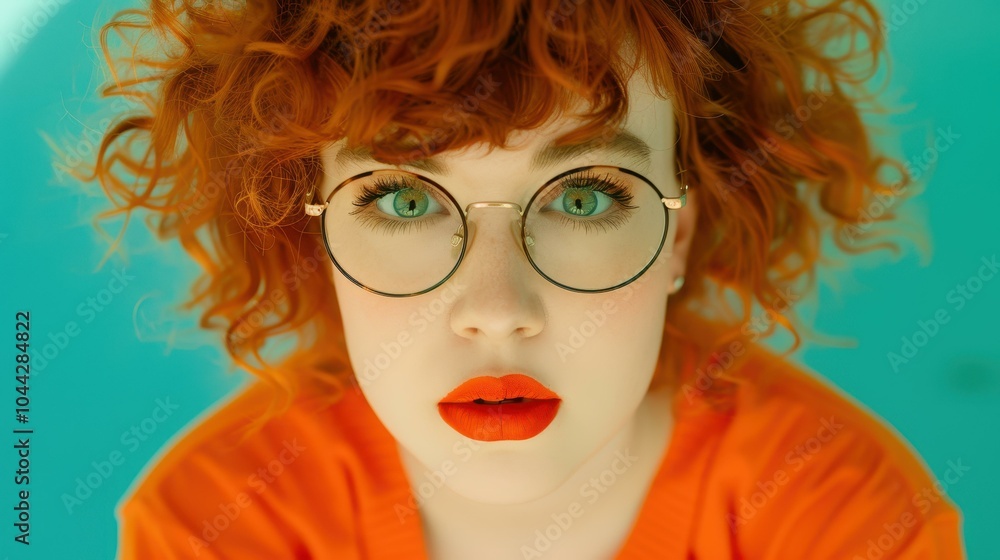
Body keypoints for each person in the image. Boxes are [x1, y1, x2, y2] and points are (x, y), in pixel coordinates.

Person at [78, 0, 965, 557]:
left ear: (679, 236)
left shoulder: (846, 522)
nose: (497, 314)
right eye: (401, 200)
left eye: (583, 198)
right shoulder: (217, 526)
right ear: (316, 238)